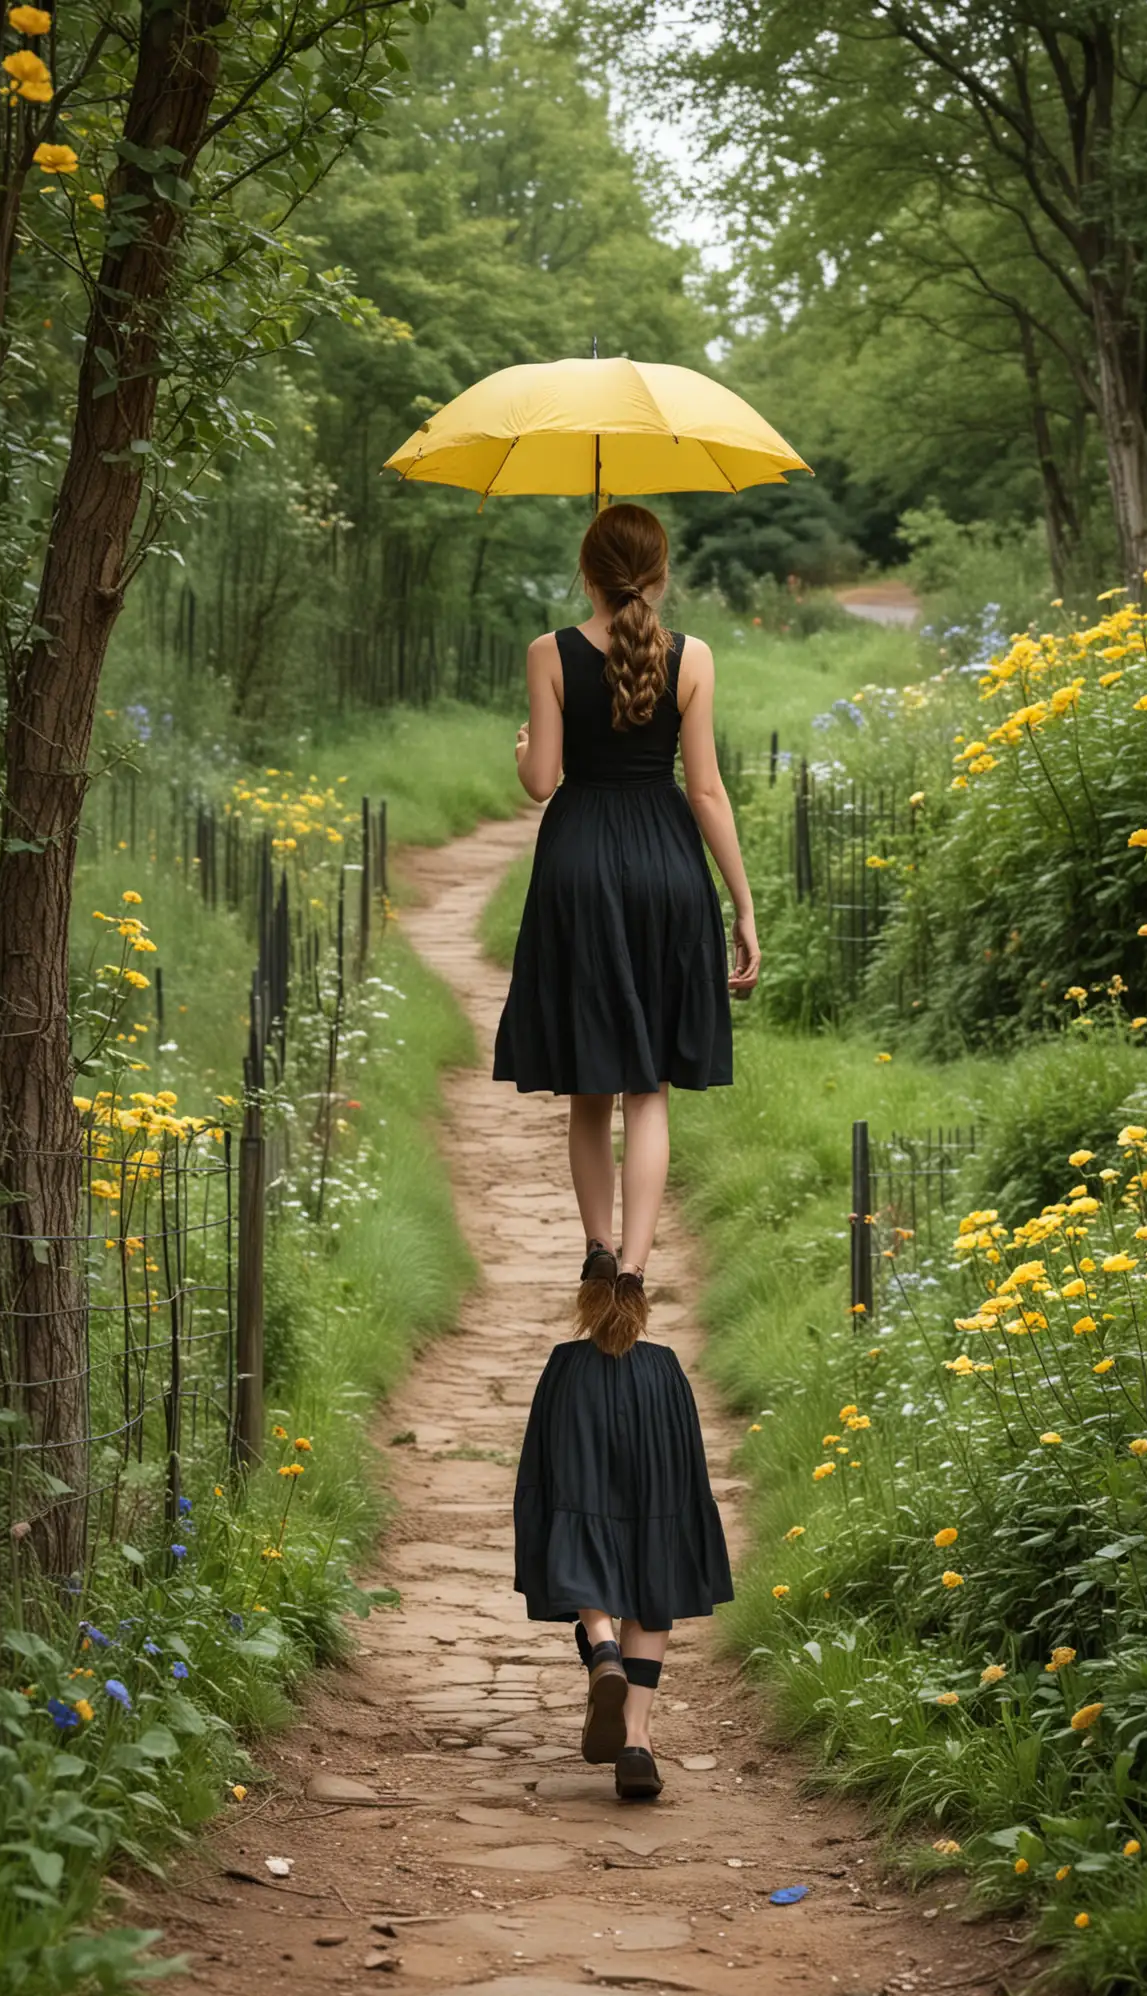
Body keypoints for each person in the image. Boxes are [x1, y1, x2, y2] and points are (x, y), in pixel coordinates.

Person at [493, 502, 760, 1354]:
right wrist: (744, 905)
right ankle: (639, 1272)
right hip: (667, 867)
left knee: (590, 1086)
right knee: (649, 1090)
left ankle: (597, 1254)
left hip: (579, 864)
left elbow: (541, 783)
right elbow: (708, 790)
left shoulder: (549, 652)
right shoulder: (694, 658)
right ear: (661, 570)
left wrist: (530, 744)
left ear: (587, 568)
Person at [513, 1335, 733, 1800]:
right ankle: (636, 1743)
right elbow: (627, 1279)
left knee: (579, 1514)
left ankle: (603, 1647)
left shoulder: (566, 1358)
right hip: (655, 1385)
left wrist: (600, 1262)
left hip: (578, 1385)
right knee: (652, 1545)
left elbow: (603, 1277)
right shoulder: (662, 1357)